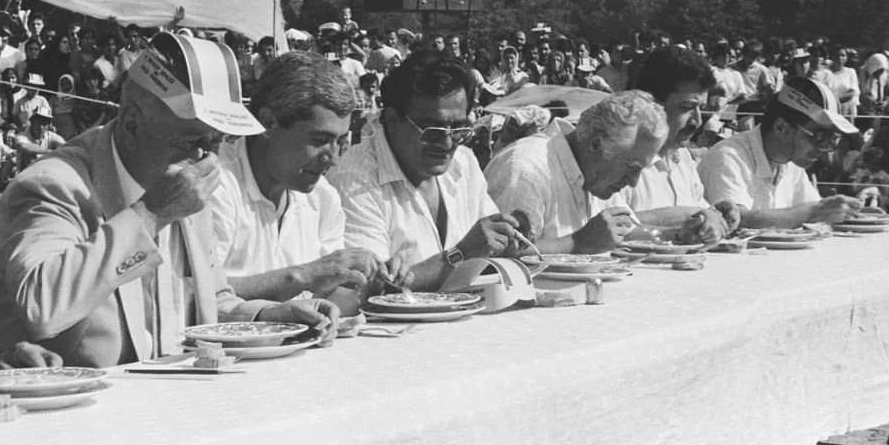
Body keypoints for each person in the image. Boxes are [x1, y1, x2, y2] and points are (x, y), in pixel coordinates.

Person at [0, 32, 337, 370]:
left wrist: (270, 316)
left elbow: (208, 303)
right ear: (131, 123)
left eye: (217, 139)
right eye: (193, 138)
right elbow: (41, 306)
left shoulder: (181, 176)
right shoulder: (55, 185)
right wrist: (150, 214)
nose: (208, 157)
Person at [211, 51, 391, 316]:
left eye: (340, 143)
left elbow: (332, 297)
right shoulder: (216, 186)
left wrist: (373, 287)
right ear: (268, 123)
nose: (333, 160)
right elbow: (194, 294)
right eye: (319, 141)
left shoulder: (323, 199)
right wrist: (301, 277)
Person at [328, 50, 522, 291]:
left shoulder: (464, 161)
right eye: (433, 131)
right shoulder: (354, 180)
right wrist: (460, 255)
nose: (448, 144)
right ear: (392, 120)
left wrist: (510, 239)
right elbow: (366, 290)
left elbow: (490, 247)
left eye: (458, 129)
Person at [484, 91, 668, 253]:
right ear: (596, 144)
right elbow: (499, 256)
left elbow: (627, 233)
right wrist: (577, 243)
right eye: (631, 168)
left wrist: (677, 232)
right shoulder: (526, 169)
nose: (634, 182)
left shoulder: (596, 174)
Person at [698, 77, 863, 228]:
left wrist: (851, 211)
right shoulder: (729, 156)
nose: (825, 148)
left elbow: (817, 214)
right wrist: (814, 212)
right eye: (819, 137)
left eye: (832, 139)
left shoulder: (791, 162)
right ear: (781, 127)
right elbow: (735, 220)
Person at [624, 46, 739, 244]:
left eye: (701, 109)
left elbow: (699, 213)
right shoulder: (620, 157)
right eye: (686, 108)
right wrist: (690, 218)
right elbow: (609, 227)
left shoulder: (682, 156)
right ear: (652, 103)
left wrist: (717, 215)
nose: (697, 121)